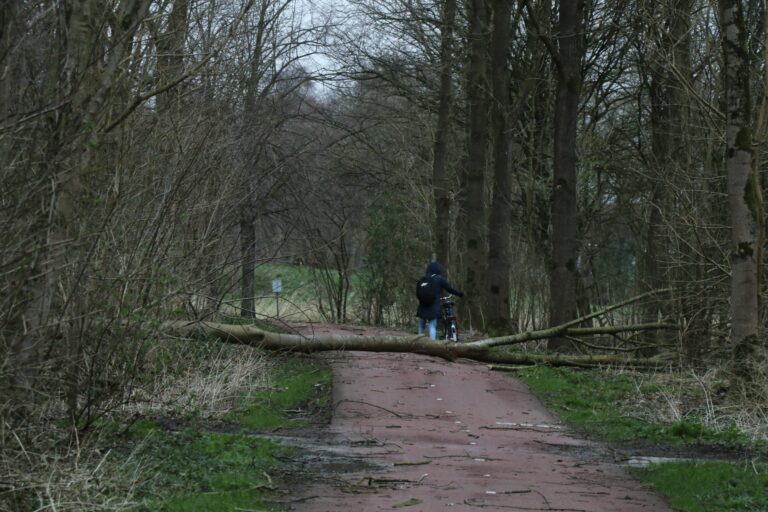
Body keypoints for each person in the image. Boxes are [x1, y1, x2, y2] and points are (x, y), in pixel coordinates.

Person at [416, 261, 464, 340]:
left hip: (422, 306)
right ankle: (432, 346)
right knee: (432, 326)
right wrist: (460, 294)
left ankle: (417, 342)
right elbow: (450, 289)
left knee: (421, 326)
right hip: (433, 306)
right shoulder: (439, 279)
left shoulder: (423, 279)